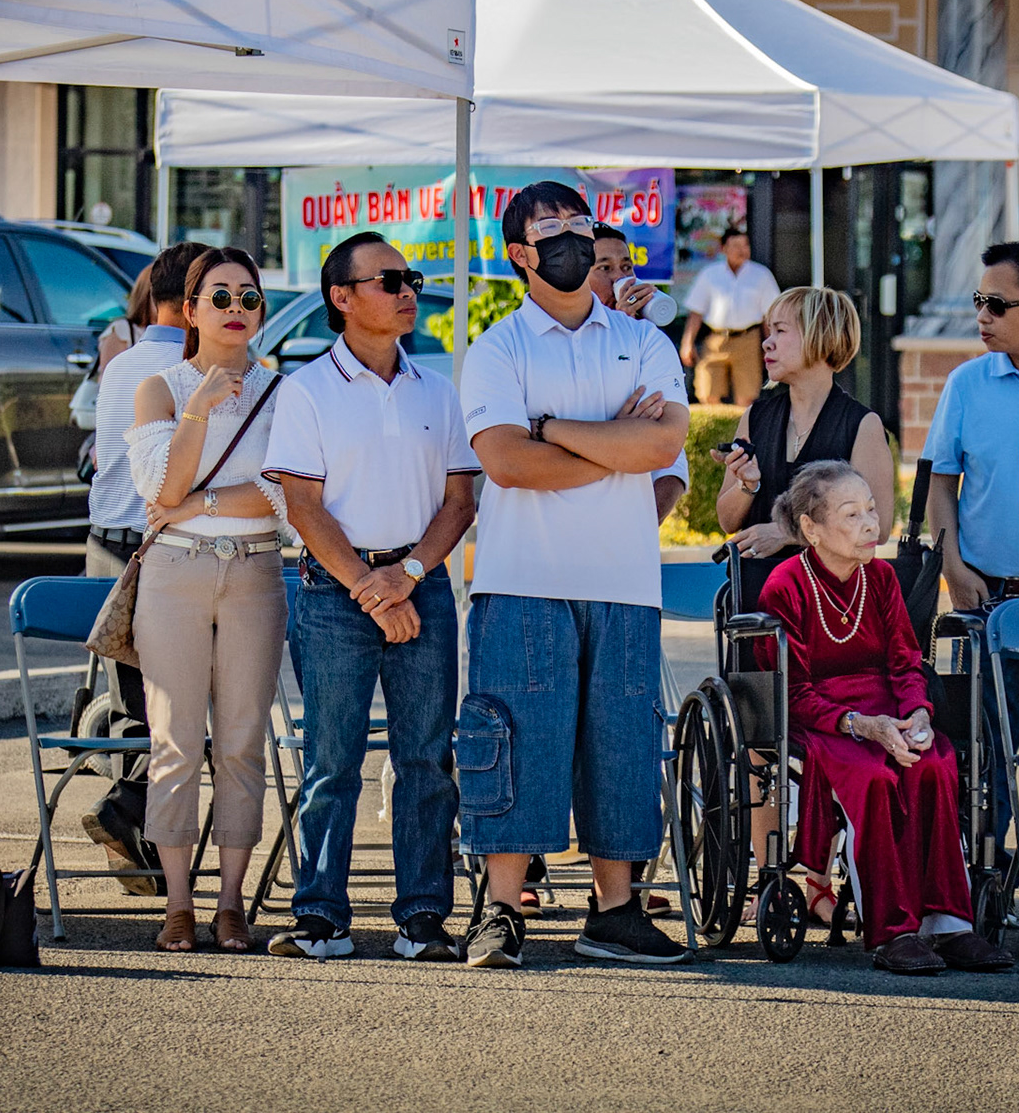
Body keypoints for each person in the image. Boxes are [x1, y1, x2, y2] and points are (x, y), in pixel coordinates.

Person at [457, 181, 691, 969]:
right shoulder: (497, 348)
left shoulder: (642, 341)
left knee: (622, 744)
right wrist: (614, 440)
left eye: (579, 223)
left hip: (625, 580)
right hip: (522, 576)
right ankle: (499, 909)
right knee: (515, 740)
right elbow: (506, 462)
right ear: (519, 254)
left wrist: (552, 427)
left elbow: (661, 447)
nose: (572, 237)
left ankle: (615, 910)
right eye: (550, 227)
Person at [263, 233, 478, 962]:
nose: (408, 290)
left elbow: (459, 502)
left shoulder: (438, 389)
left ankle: (423, 917)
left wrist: (406, 577)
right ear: (342, 297)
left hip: (422, 586)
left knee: (427, 758)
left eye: (409, 277)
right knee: (332, 759)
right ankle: (320, 916)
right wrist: (373, 588)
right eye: (389, 280)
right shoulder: (306, 389)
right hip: (336, 592)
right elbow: (303, 507)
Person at [758, 460, 1013, 975]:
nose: (871, 524)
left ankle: (948, 923)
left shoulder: (881, 579)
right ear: (811, 527)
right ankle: (892, 930)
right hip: (825, 718)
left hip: (890, 707)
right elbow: (793, 692)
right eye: (852, 514)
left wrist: (918, 713)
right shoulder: (785, 586)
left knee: (935, 762)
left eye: (872, 509)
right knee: (874, 777)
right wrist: (861, 725)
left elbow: (905, 661)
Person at [127, 246, 287, 955]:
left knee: (244, 740)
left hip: (256, 570)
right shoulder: (160, 389)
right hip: (174, 573)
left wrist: (201, 502)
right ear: (189, 310)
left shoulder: (284, 392)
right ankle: (178, 904)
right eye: (219, 297)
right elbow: (159, 489)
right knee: (175, 741)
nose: (235, 309)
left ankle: (231, 903)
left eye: (248, 297)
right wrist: (198, 407)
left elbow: (287, 496)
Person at [922, 241, 1019, 871]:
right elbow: (939, 480)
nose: (981, 315)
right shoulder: (967, 383)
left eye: (995, 304)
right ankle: (984, 875)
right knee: (984, 752)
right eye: (978, 301)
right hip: (985, 598)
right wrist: (952, 566)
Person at [80, 241, 205, 893]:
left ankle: (142, 838)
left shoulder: (123, 363)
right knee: (178, 711)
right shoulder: (190, 371)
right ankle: (128, 811)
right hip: (160, 550)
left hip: (104, 544)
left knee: (137, 706)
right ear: (192, 303)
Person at [715, 287, 896, 613]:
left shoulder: (861, 425)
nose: (766, 342)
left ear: (820, 337)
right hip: (756, 604)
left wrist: (787, 532)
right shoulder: (755, 417)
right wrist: (747, 485)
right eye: (769, 331)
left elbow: (877, 529)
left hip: (832, 610)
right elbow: (727, 521)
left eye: (780, 331)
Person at [592, 223, 687, 523]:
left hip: (628, 525)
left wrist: (642, 528)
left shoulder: (649, 341)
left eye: (626, 267)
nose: (619, 278)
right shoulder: (553, 343)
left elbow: (671, 457)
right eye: (604, 268)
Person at [680, 226, 778, 407]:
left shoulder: (761, 275)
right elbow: (696, 312)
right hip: (715, 340)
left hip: (748, 340)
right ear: (724, 248)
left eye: (745, 245)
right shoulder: (710, 274)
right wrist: (687, 343)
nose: (741, 251)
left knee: (747, 397)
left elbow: (769, 315)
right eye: (735, 246)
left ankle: (741, 426)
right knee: (707, 394)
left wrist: (771, 344)